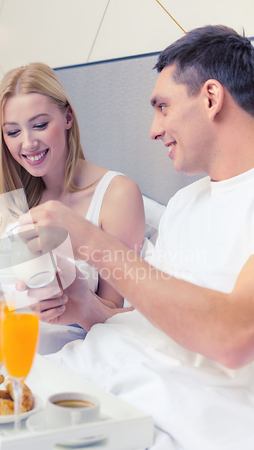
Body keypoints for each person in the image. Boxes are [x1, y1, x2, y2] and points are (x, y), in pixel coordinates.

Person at [17, 26, 254, 369]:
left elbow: (235, 336)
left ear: (211, 99)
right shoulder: (184, 204)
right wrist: (85, 307)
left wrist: (92, 243)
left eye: (163, 107)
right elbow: (146, 321)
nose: (153, 130)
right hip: (103, 371)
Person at [0, 63, 145, 325]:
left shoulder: (117, 196)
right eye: (13, 132)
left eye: (39, 125)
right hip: (3, 331)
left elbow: (112, 310)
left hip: (62, 341)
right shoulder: (8, 195)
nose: (27, 143)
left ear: (68, 117)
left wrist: (72, 299)